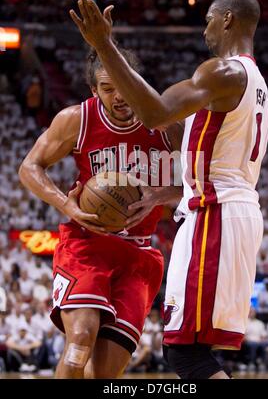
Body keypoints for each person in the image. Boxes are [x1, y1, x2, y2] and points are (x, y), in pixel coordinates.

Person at [70, 0, 268, 379]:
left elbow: (153, 111)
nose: (206, 29)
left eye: (209, 19)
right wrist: (169, 192)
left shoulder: (222, 72)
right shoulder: (256, 81)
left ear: (227, 19)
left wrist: (103, 45)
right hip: (226, 209)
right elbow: (220, 163)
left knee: (185, 354)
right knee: (188, 351)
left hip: (217, 216)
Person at [19, 48, 183, 379]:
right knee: (79, 341)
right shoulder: (77, 119)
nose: (119, 95)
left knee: (106, 373)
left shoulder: (169, 125)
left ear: (136, 82)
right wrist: (65, 203)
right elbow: (29, 167)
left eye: (124, 84)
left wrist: (159, 196)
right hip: (87, 243)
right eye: (108, 88)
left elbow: (205, 181)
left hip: (138, 253)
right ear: (94, 90)